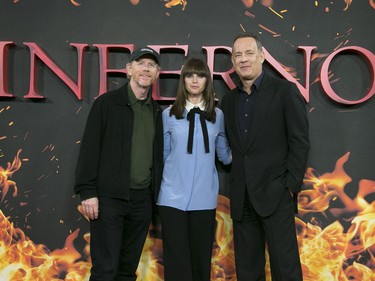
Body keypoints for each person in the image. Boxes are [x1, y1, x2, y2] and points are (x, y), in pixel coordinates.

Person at [220, 32, 310, 281]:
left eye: (249, 53)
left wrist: (290, 186)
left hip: (276, 194)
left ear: (261, 56)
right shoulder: (228, 101)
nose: (244, 59)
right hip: (242, 198)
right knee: (247, 271)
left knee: (286, 268)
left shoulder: (284, 91)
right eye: (238, 55)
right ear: (233, 61)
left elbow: (299, 142)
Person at [74, 47, 163, 281]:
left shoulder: (157, 112)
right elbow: (90, 149)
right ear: (129, 70)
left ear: (157, 73)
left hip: (142, 201)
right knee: (105, 269)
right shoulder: (106, 104)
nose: (146, 68)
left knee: (126, 270)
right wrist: (88, 192)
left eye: (151, 65)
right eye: (141, 63)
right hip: (108, 200)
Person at [157, 58, 232, 281]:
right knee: (176, 263)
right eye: (189, 75)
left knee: (200, 262)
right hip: (171, 198)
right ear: (183, 81)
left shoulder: (217, 116)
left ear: (207, 80)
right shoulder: (168, 115)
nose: (194, 80)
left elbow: (225, 156)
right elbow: (163, 156)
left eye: (199, 75)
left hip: (204, 198)